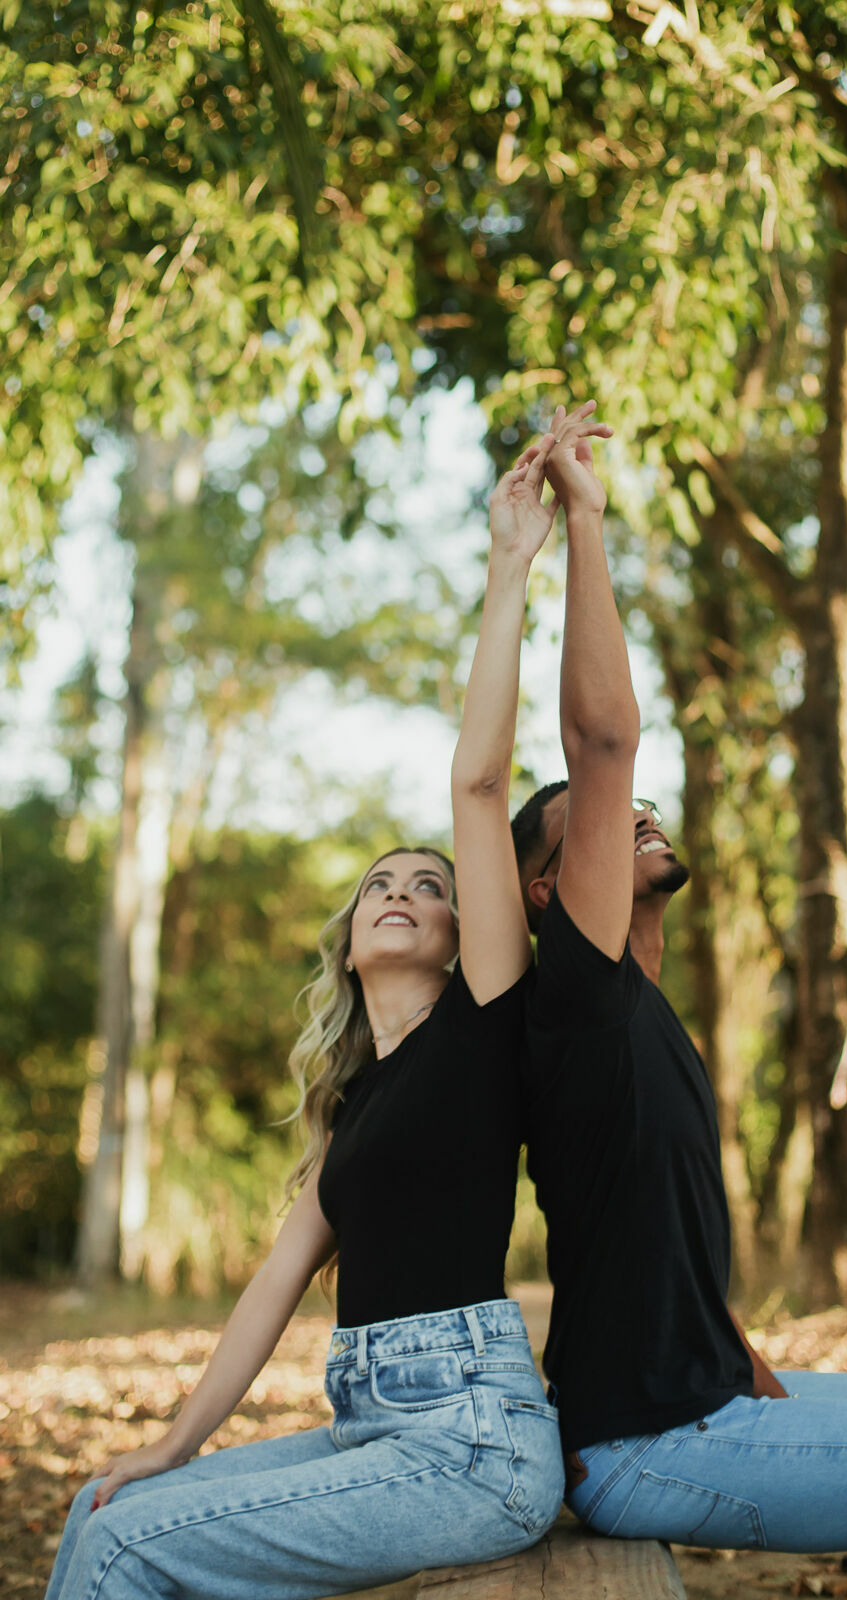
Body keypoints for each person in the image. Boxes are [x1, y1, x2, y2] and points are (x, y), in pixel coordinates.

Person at [42, 417, 609, 1600]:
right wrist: (171, 1443)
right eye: (380, 886)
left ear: (461, 936)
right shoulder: (356, 1106)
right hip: (374, 1422)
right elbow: (272, 1287)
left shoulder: (483, 1020)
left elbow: (477, 782)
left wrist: (512, 561)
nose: (403, 893)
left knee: (123, 1550)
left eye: (431, 888)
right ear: (349, 947)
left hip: (471, 1442)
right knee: (107, 1511)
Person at [510, 409, 847, 1600]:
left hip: (694, 1397)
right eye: (595, 823)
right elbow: (602, 738)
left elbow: (650, 1254)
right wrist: (586, 527)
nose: (632, 811)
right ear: (549, 890)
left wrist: (740, 1357)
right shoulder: (579, 998)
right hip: (651, 1447)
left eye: (638, 808)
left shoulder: (642, 1011)